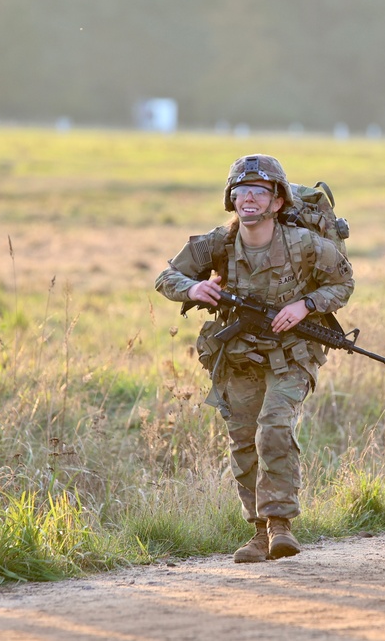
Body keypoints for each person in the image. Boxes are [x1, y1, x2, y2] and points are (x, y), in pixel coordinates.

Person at [155, 154, 354, 563]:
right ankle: (259, 532)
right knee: (244, 442)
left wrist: (307, 305)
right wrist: (193, 290)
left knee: (274, 429)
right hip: (239, 355)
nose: (248, 199)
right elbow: (167, 277)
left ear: (277, 201)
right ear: (231, 199)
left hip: (293, 353)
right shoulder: (220, 242)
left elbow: (344, 281)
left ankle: (281, 525)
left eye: (258, 192)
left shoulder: (305, 245)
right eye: (240, 191)